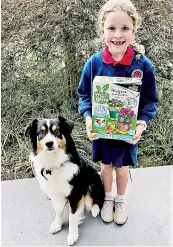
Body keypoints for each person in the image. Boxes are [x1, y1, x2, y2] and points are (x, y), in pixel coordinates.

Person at [78, 0, 158, 225]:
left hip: (126, 132)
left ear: (134, 30)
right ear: (102, 29)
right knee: (105, 168)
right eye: (111, 28)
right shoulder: (93, 63)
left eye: (125, 28)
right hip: (102, 132)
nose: (118, 34)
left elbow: (151, 100)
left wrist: (141, 124)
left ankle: (121, 199)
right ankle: (109, 198)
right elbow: (84, 95)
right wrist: (88, 118)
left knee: (122, 169)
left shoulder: (143, 66)